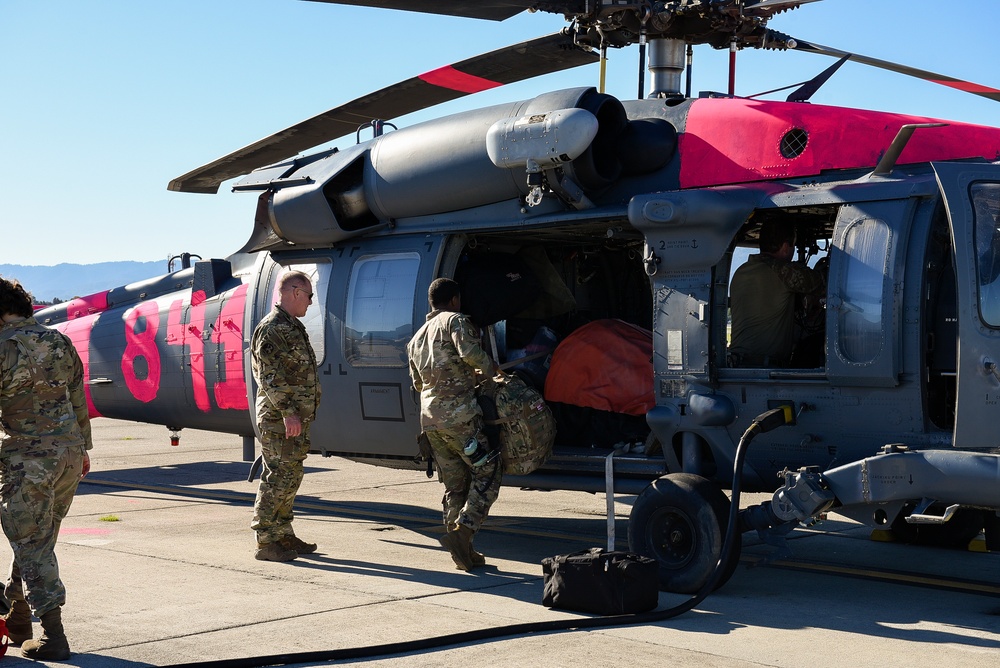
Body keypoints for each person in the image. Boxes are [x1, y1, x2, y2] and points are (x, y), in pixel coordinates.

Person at [0, 277, 92, 661]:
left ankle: (53, 635)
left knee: (33, 544)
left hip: (28, 459)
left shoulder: (3, 346)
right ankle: (18, 613)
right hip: (68, 455)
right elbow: (76, 394)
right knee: (38, 538)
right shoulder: (59, 340)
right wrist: (84, 448)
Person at [407, 278, 501, 571]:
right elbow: (471, 354)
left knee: (455, 485)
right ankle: (465, 531)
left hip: (431, 421)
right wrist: (492, 371)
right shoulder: (455, 321)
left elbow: (417, 383)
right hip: (460, 418)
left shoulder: (416, 338)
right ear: (455, 299)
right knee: (488, 471)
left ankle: (462, 551)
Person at [250, 271, 321, 562]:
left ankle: (283, 533)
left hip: (294, 418)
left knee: (290, 476)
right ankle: (266, 541)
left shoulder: (291, 325)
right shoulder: (273, 328)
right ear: (294, 292)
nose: (311, 302)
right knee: (277, 476)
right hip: (280, 418)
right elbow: (269, 376)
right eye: (309, 296)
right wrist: (289, 413)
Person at [729, 219, 826, 368]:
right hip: (764, 369)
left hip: (738, 366)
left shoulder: (741, 271)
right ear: (786, 247)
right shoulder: (782, 272)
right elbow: (821, 283)